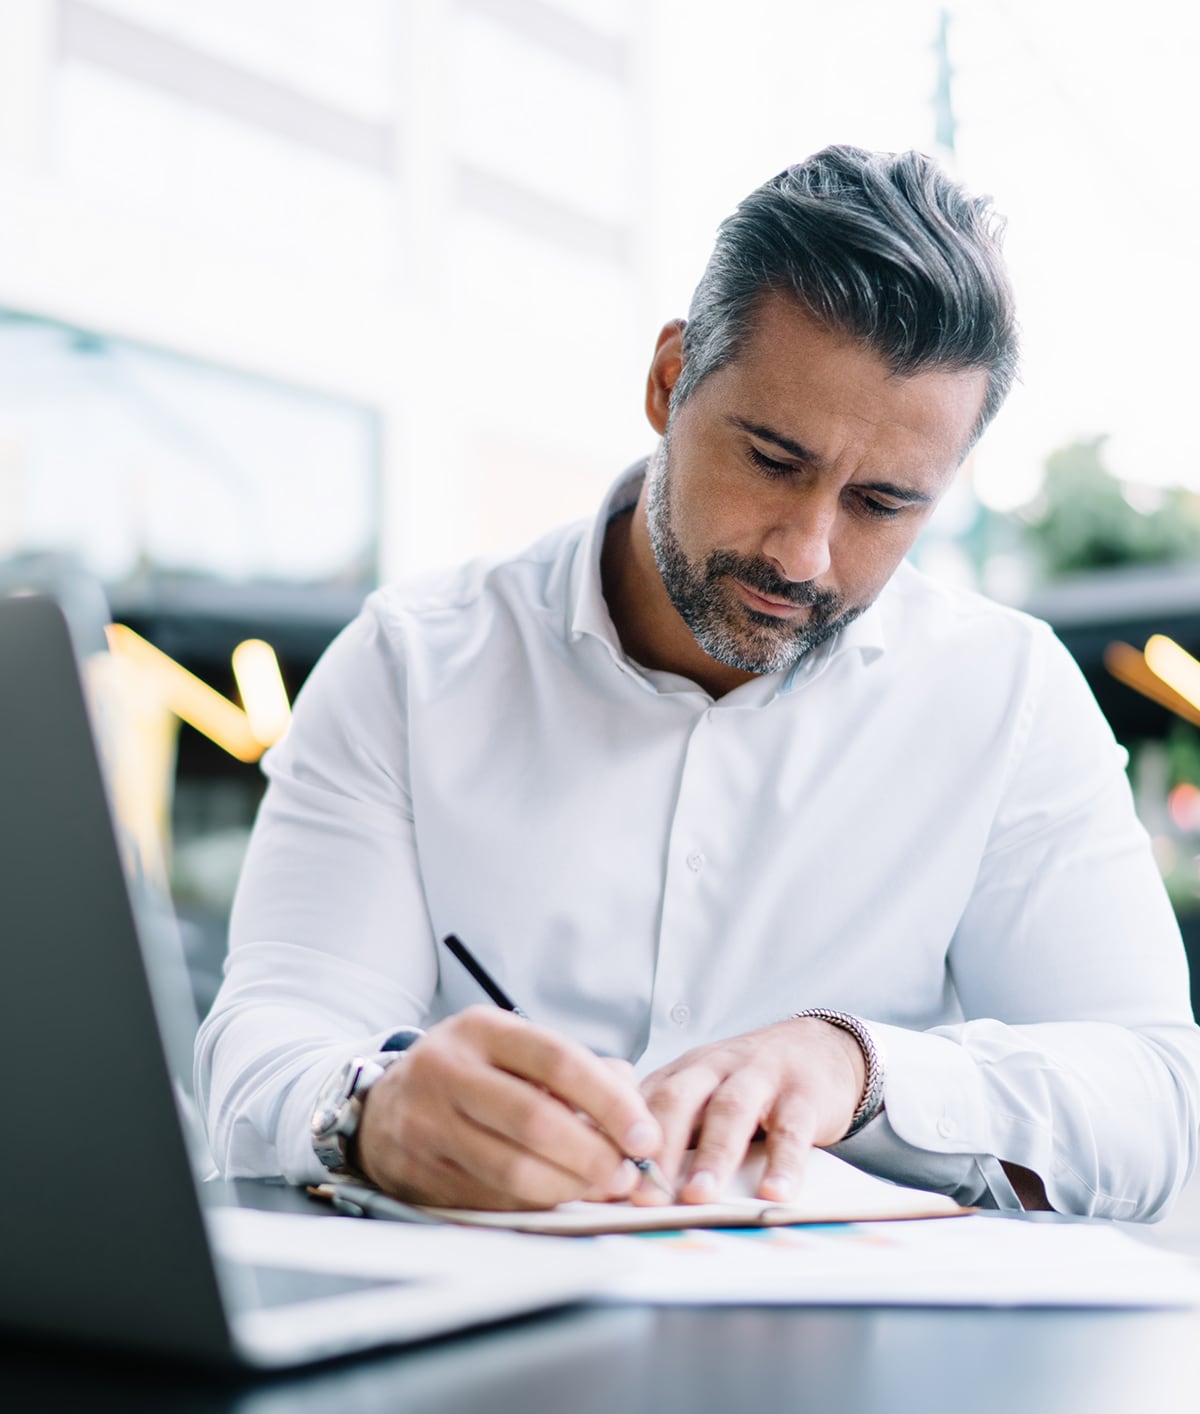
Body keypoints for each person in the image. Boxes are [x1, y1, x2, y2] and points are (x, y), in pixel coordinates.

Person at [196, 145, 1200, 1221]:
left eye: (884, 504)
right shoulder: (411, 663)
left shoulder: (1008, 698)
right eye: (773, 460)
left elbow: (1155, 1107)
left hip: (863, 1364)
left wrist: (863, 1070)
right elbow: (266, 1049)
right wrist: (368, 1108)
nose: (806, 553)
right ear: (670, 380)